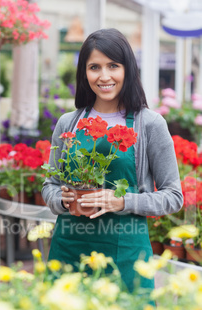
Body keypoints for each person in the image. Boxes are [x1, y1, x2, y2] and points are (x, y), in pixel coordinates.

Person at [41, 28, 183, 292]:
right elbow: (50, 185)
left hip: (125, 254)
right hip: (69, 249)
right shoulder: (68, 123)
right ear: (84, 72)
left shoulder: (150, 124)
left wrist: (122, 201)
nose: (104, 76)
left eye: (113, 66)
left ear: (127, 69)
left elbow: (174, 197)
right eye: (94, 67)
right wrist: (62, 199)